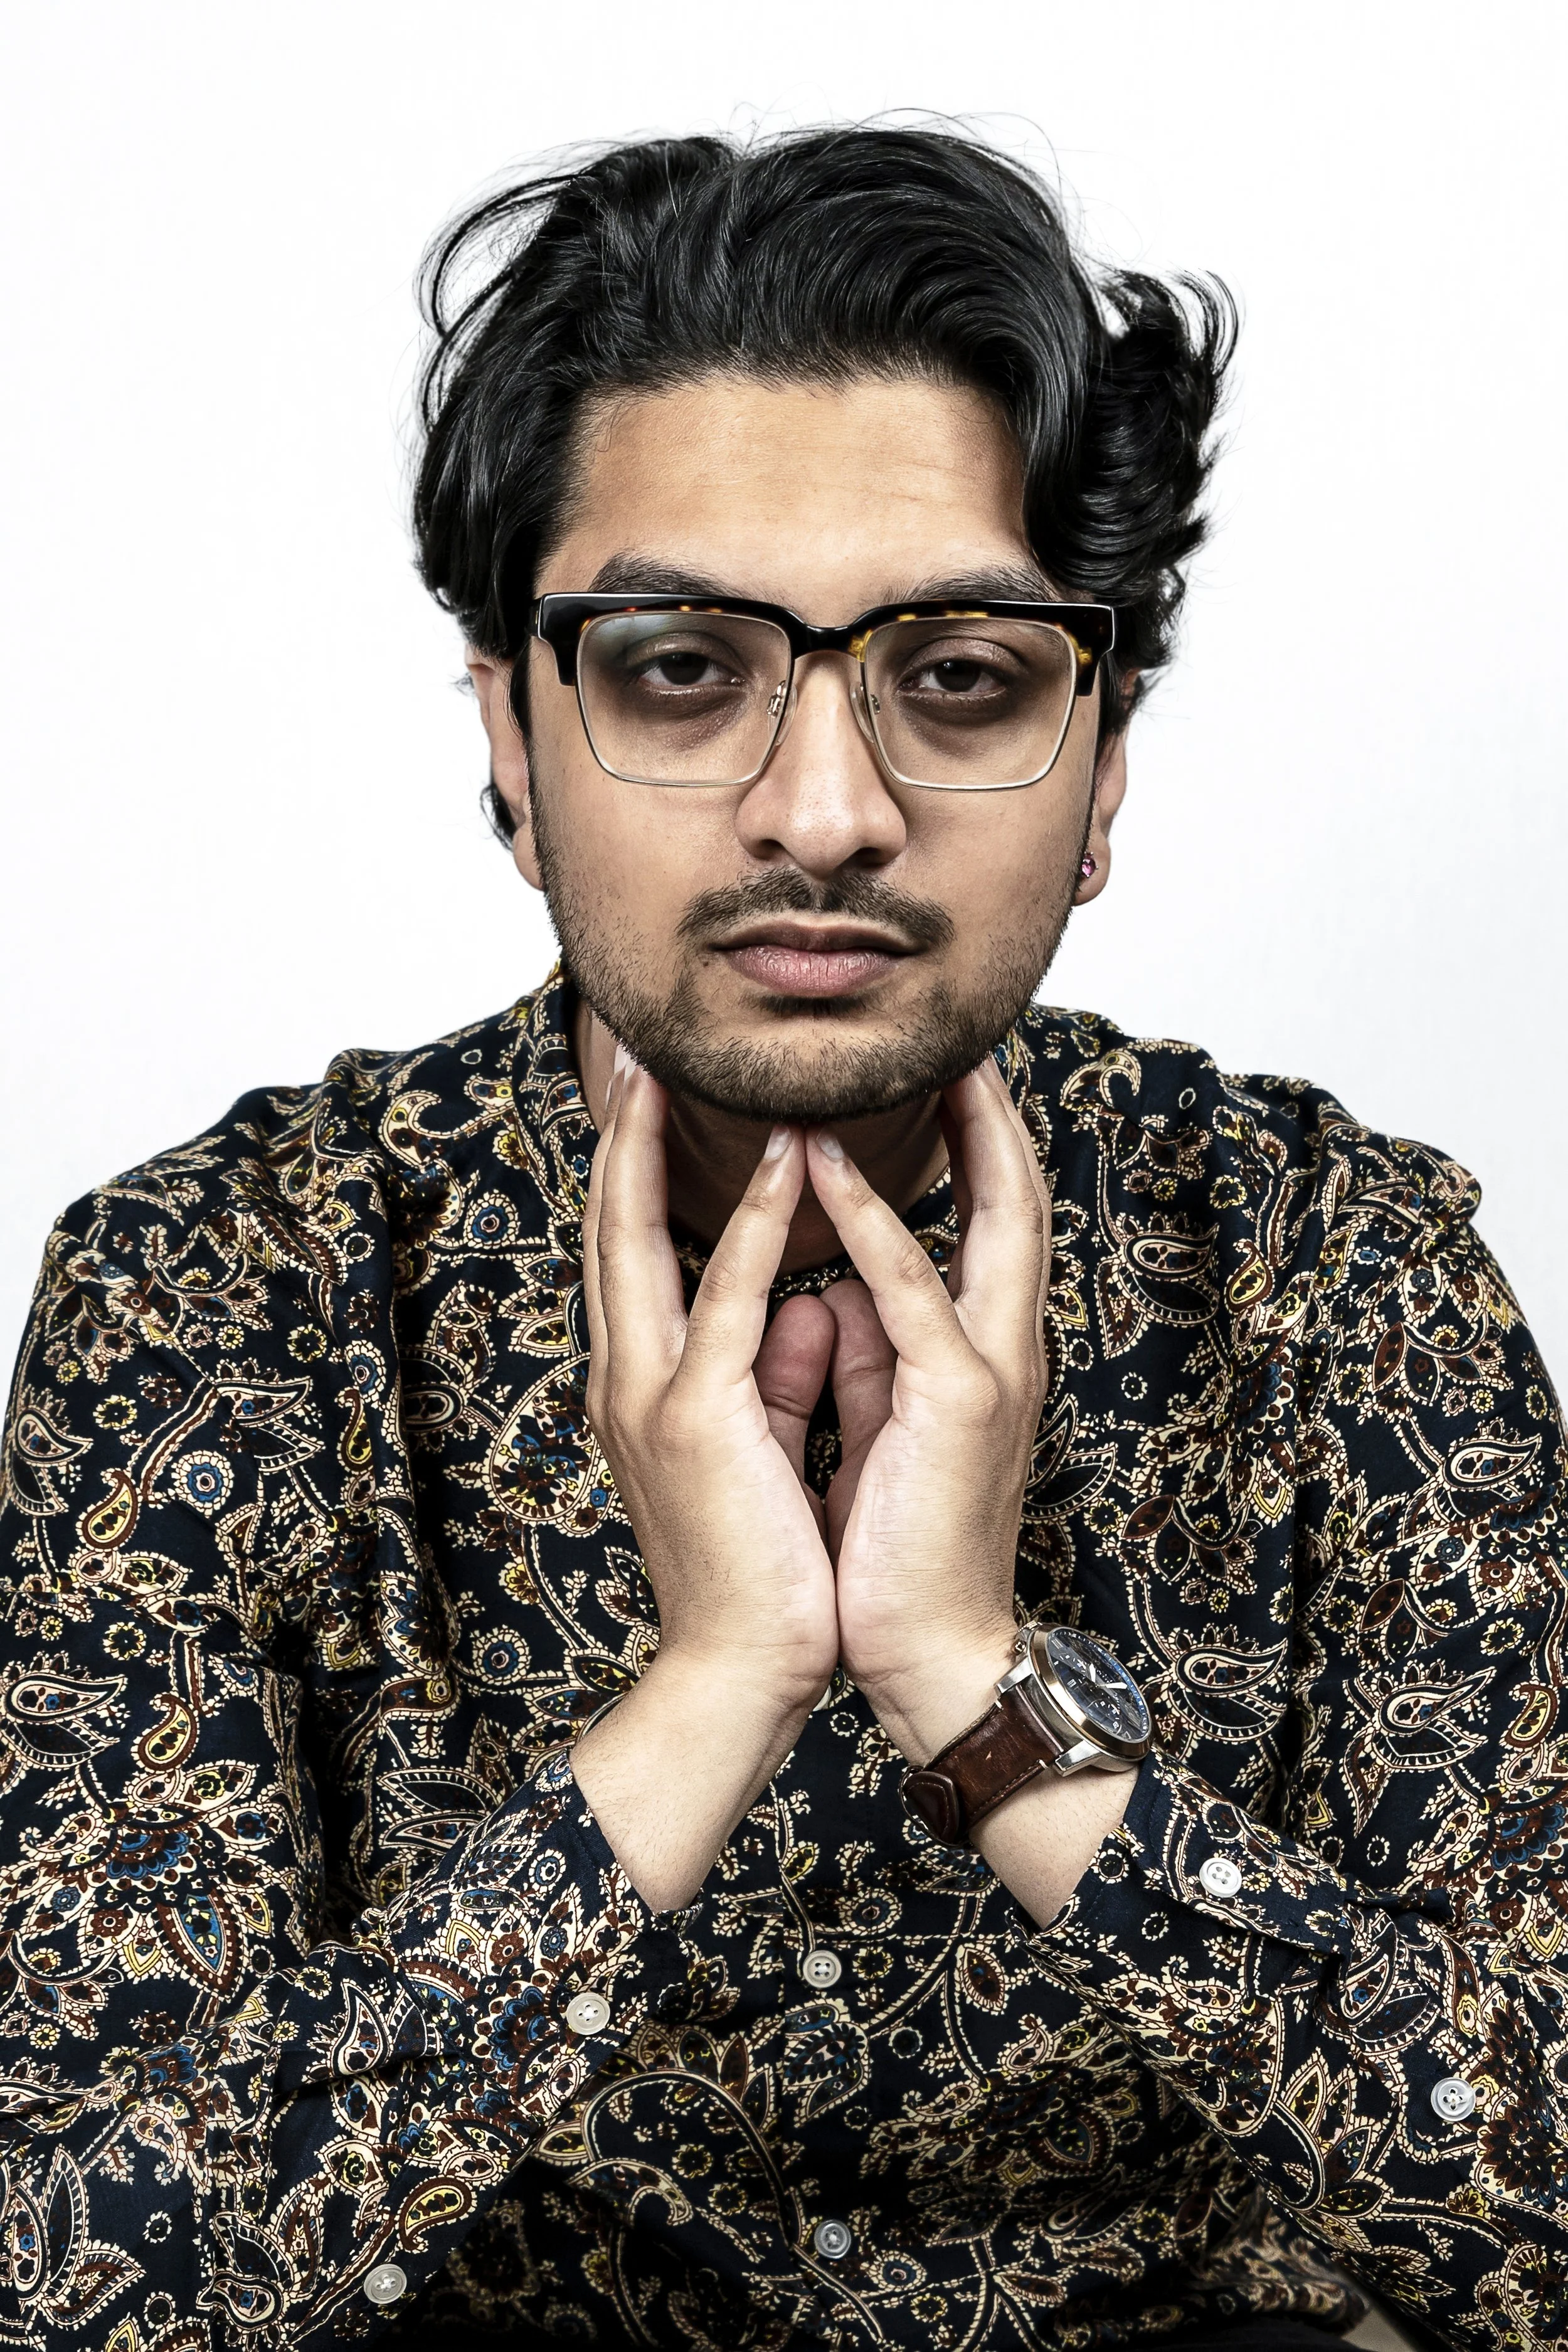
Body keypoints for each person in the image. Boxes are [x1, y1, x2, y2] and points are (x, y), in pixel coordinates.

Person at [0, 122, 1560, 2352]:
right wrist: (711, 1684)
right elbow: (75, 2283)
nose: (822, 810)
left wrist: (976, 1685)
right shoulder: (214, 1299)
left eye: (959, 679)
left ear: (1099, 764)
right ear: (513, 749)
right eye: (671, 668)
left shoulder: (1342, 1278)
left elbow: (1539, 2227)